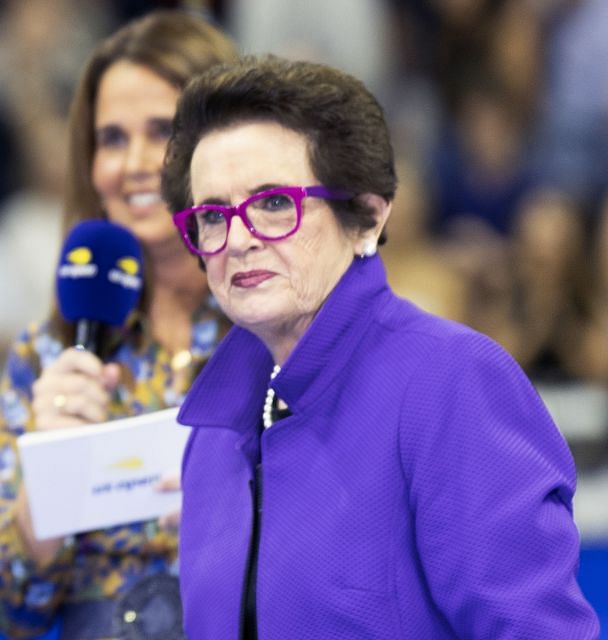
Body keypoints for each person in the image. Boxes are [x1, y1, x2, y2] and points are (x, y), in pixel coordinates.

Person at [165, 56, 597, 637]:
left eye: (273, 204)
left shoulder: (452, 382)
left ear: (366, 217)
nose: (237, 239)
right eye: (212, 214)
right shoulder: (211, 430)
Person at [0, 11, 237, 639]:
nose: (136, 163)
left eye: (164, 131)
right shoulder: (52, 350)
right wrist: (46, 491)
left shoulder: (277, 331)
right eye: (111, 139)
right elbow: (8, 607)